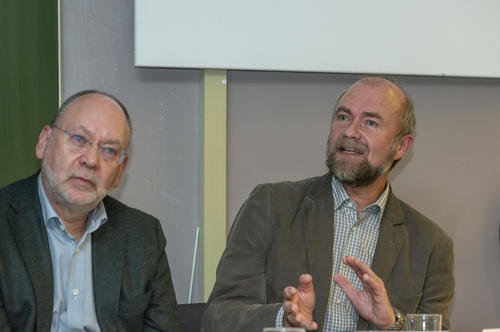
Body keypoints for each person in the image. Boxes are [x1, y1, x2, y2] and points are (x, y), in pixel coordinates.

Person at [201, 77, 454, 331]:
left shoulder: (431, 244)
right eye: (343, 117)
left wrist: (392, 324)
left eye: (370, 122)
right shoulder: (270, 206)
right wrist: (284, 319)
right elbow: (218, 316)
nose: (350, 131)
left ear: (401, 146)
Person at [0, 90, 180, 331]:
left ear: (119, 171)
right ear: (44, 142)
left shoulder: (144, 235)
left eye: (109, 151)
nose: (91, 160)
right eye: (79, 139)